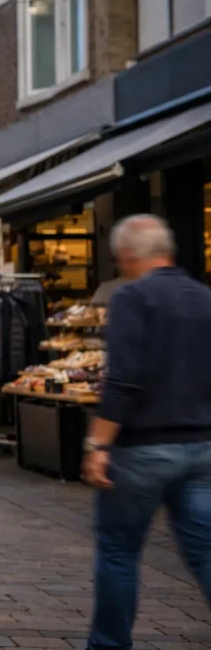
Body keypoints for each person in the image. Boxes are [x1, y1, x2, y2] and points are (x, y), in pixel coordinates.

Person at [82, 214, 211, 650]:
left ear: (127, 254)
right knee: (206, 552)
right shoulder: (204, 298)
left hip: (141, 451)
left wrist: (98, 444)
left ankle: (109, 645)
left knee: (119, 553)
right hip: (202, 448)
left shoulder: (132, 298)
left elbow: (123, 380)